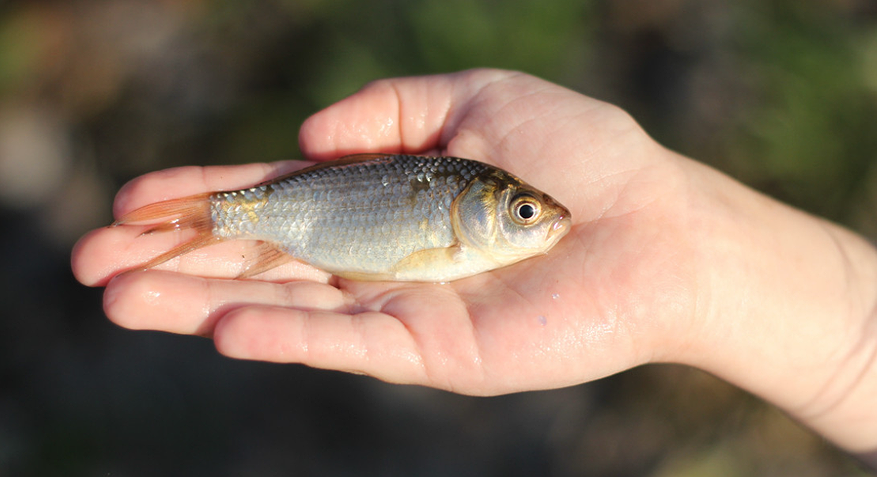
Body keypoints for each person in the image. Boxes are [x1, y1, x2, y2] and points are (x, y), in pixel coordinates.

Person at [72, 69, 877, 465]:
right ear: (480, 207)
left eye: (526, 211)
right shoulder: (452, 213)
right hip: (305, 215)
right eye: (524, 212)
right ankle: (196, 222)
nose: (544, 223)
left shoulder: (467, 215)